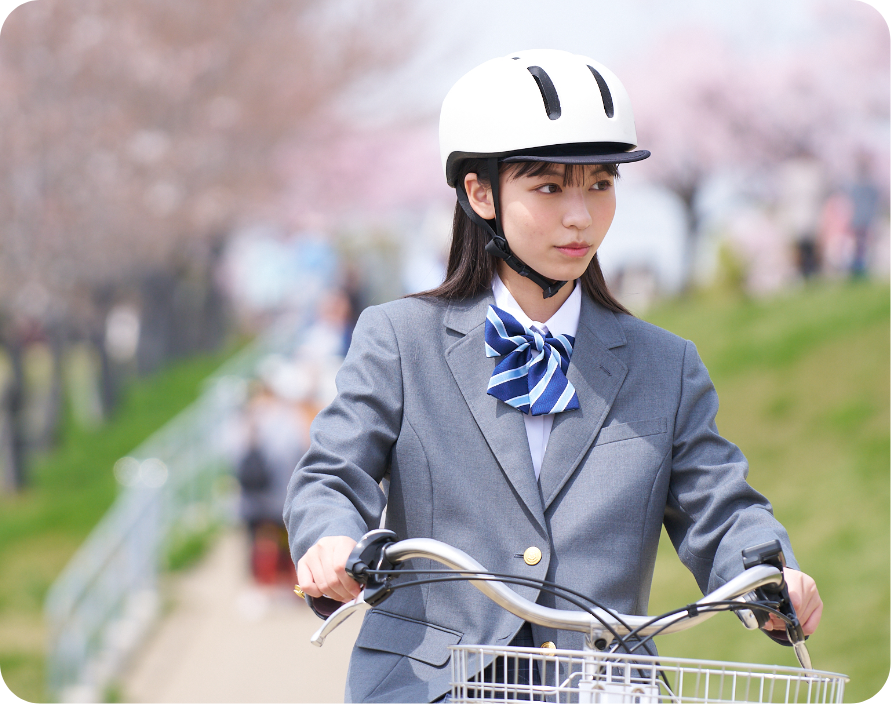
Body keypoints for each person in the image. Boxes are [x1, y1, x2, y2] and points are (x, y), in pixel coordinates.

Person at [284, 50, 823, 704]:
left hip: (601, 686)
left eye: (599, 184)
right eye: (548, 187)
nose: (580, 215)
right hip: (431, 683)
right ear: (479, 193)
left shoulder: (664, 364)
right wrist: (330, 539)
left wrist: (768, 573)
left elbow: (721, 507)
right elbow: (329, 473)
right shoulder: (400, 339)